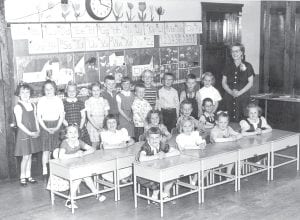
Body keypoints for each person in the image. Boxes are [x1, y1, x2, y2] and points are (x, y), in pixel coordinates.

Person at [55, 125, 106, 208]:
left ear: (78, 134)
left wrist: (83, 153)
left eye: (75, 132)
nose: (73, 134)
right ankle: (70, 200)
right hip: (64, 167)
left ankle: (95, 194)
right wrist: (76, 155)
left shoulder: (79, 141)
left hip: (75, 166)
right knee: (80, 176)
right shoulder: (65, 143)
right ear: (66, 135)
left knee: (86, 176)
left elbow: (92, 149)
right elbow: (61, 156)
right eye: (70, 132)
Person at [137, 127, 180, 199]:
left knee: (173, 176)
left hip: (159, 171)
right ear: (148, 138)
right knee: (157, 180)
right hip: (145, 174)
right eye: (152, 138)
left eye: (157, 137)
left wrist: (164, 155)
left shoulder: (162, 145)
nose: (154, 140)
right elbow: (141, 159)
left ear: (160, 138)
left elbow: (177, 152)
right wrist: (157, 156)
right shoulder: (146, 147)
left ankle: (165, 193)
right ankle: (154, 196)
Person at [14, 83, 41, 186]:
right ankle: (22, 177)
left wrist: (38, 130)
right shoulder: (18, 106)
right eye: (23, 92)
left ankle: (29, 175)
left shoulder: (33, 105)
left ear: (30, 93)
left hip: (33, 132)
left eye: (27, 92)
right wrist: (29, 133)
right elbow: (19, 123)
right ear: (19, 94)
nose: (25, 94)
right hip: (24, 133)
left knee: (30, 156)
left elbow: (35, 118)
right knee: (25, 156)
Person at [222, 43, 255, 122]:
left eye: (237, 51)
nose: (234, 53)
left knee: (243, 120)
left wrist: (239, 93)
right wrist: (231, 92)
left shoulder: (248, 66)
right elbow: (223, 82)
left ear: (242, 52)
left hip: (243, 97)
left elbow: (250, 83)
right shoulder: (227, 66)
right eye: (232, 51)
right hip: (229, 97)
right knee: (228, 120)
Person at [37, 80, 64, 176]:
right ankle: (45, 170)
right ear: (43, 90)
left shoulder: (58, 100)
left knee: (56, 149)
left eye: (51, 88)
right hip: (45, 126)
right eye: (46, 89)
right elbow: (39, 117)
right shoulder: (41, 100)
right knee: (46, 150)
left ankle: (57, 169)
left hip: (56, 125)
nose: (48, 91)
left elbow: (62, 115)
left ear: (55, 89)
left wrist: (57, 127)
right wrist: (45, 128)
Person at [100, 114, 135, 183]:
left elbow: (132, 141)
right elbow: (105, 147)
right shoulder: (104, 134)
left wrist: (126, 144)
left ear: (117, 123)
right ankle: (116, 178)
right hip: (110, 159)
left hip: (122, 157)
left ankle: (124, 177)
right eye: (109, 123)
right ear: (106, 124)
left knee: (131, 160)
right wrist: (120, 146)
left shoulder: (121, 132)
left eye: (114, 122)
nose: (111, 124)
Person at [176, 116, 206, 185]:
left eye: (189, 126)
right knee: (198, 165)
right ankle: (195, 180)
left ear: (192, 126)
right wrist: (197, 147)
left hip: (196, 157)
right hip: (185, 159)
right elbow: (183, 148)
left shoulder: (195, 134)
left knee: (207, 166)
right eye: (185, 126)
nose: (187, 128)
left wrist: (202, 144)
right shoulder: (180, 137)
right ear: (181, 128)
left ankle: (196, 179)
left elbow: (200, 141)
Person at [85, 82, 109, 149]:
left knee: (103, 143)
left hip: (102, 124)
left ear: (101, 90)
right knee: (94, 144)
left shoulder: (104, 101)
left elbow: (106, 115)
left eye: (97, 90)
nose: (96, 92)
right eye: (94, 90)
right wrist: (96, 127)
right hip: (93, 125)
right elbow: (89, 116)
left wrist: (104, 125)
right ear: (91, 91)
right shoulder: (88, 101)